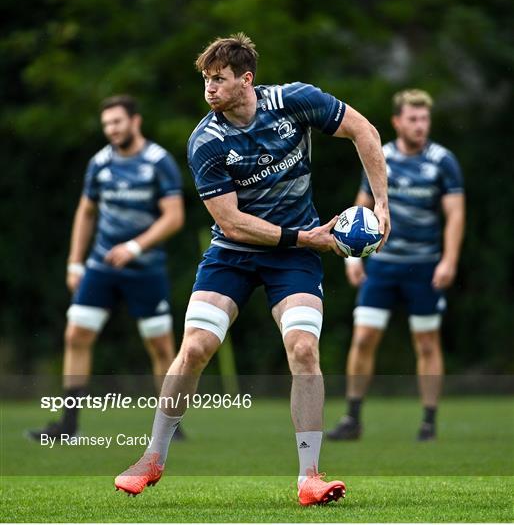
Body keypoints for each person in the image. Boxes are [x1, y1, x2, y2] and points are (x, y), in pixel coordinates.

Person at [114, 33, 390, 506]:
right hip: (235, 252)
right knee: (196, 346)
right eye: (205, 80)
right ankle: (152, 457)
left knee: (303, 349)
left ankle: (310, 476)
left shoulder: (295, 102)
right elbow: (232, 222)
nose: (210, 89)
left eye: (218, 79)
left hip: (294, 255)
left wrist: (383, 205)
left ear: (246, 80)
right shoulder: (206, 140)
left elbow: (364, 130)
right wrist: (308, 237)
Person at [29, 95, 185, 440]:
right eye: (106, 125)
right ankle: (68, 426)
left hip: (145, 269)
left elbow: (174, 217)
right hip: (101, 267)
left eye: (117, 122)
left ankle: (171, 426)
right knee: (76, 335)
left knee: (160, 347)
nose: (111, 130)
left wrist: (135, 246)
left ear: (135, 121)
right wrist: (74, 262)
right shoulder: (100, 163)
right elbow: (86, 212)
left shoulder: (158, 162)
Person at [327, 89, 465, 442]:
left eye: (425, 119)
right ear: (397, 122)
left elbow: (455, 215)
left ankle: (429, 423)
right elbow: (360, 207)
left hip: (424, 266)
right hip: (383, 266)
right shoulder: (381, 156)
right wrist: (353, 259)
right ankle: (352, 418)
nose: (420, 126)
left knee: (427, 343)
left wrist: (448, 260)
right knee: (363, 338)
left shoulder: (442, 161)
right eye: (413, 119)